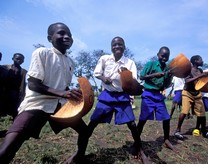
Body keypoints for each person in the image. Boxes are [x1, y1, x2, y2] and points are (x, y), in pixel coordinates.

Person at [0, 22, 89, 164]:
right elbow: (33, 84)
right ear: (50, 38)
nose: (67, 37)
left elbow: (63, 87)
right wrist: (62, 93)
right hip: (38, 103)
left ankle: (77, 157)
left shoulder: (70, 62)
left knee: (85, 131)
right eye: (61, 33)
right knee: (10, 145)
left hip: (59, 104)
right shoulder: (42, 53)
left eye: (69, 35)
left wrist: (72, 93)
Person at [86, 36, 149, 163]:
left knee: (131, 124)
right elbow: (97, 73)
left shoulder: (130, 63)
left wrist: (126, 75)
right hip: (107, 95)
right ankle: (79, 152)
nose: (117, 46)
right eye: (114, 44)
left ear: (124, 47)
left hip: (122, 96)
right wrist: (104, 79)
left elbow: (133, 81)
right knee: (93, 122)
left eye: (120, 44)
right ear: (111, 47)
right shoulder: (104, 59)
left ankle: (140, 149)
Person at [136, 46, 175, 150]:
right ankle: (136, 141)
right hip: (148, 94)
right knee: (143, 119)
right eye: (162, 56)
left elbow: (165, 85)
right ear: (158, 55)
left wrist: (169, 76)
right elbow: (142, 77)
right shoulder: (151, 64)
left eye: (166, 57)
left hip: (158, 95)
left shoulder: (167, 68)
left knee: (166, 118)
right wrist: (154, 75)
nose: (164, 58)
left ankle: (166, 139)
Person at [174, 55, 208, 140]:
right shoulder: (189, 70)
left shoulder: (200, 70)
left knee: (202, 113)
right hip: (187, 93)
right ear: (196, 61)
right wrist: (200, 76)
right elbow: (187, 81)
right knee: (184, 111)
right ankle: (177, 130)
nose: (202, 61)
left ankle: (204, 131)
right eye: (201, 60)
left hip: (197, 94)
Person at [0, 53, 27, 119]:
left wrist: (22, 97)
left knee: (15, 111)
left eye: (21, 60)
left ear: (23, 61)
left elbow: (23, 85)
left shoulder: (24, 72)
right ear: (13, 59)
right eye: (17, 59)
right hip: (4, 93)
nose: (19, 61)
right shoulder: (4, 68)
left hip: (15, 94)